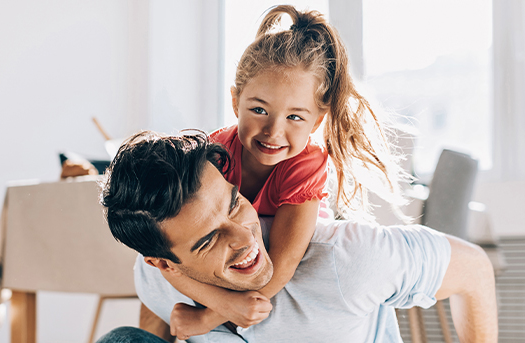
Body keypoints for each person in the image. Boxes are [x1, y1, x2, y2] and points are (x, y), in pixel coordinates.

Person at [99, 130, 497, 342]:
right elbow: (155, 312)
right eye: (208, 239)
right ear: (164, 262)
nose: (243, 237)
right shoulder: (154, 273)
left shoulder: (348, 259)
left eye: (235, 202)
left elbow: (475, 270)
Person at [160, 5, 410, 334]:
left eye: (294, 117)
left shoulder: (306, 164)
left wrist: (212, 315)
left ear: (317, 121)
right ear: (236, 102)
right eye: (259, 109)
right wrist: (217, 302)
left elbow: (283, 263)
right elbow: (170, 254)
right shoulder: (213, 155)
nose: (273, 131)